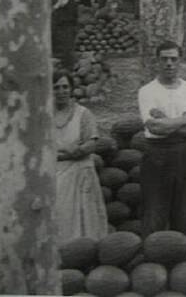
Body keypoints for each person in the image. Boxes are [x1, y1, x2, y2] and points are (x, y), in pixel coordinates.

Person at [138, 41, 186, 238]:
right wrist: (185, 119)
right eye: (164, 59)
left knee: (184, 215)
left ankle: (184, 262)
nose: (169, 63)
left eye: (173, 59)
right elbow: (154, 127)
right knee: (154, 214)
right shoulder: (147, 91)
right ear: (156, 62)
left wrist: (168, 123)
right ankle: (152, 261)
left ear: (180, 61)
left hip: (184, 154)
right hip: (156, 155)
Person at [53, 70, 108, 244]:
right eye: (56, 88)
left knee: (84, 221)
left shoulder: (83, 114)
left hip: (80, 171)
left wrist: (73, 152)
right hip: (54, 172)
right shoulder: (44, 115)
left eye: (65, 87)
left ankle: (83, 255)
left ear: (71, 89)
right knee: (59, 214)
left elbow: (91, 143)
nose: (61, 91)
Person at [52, 0, 79, 70]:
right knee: (68, 46)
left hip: (64, 26)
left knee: (64, 46)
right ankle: (68, 65)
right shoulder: (73, 0)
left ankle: (66, 65)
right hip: (70, 26)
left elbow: (54, 8)